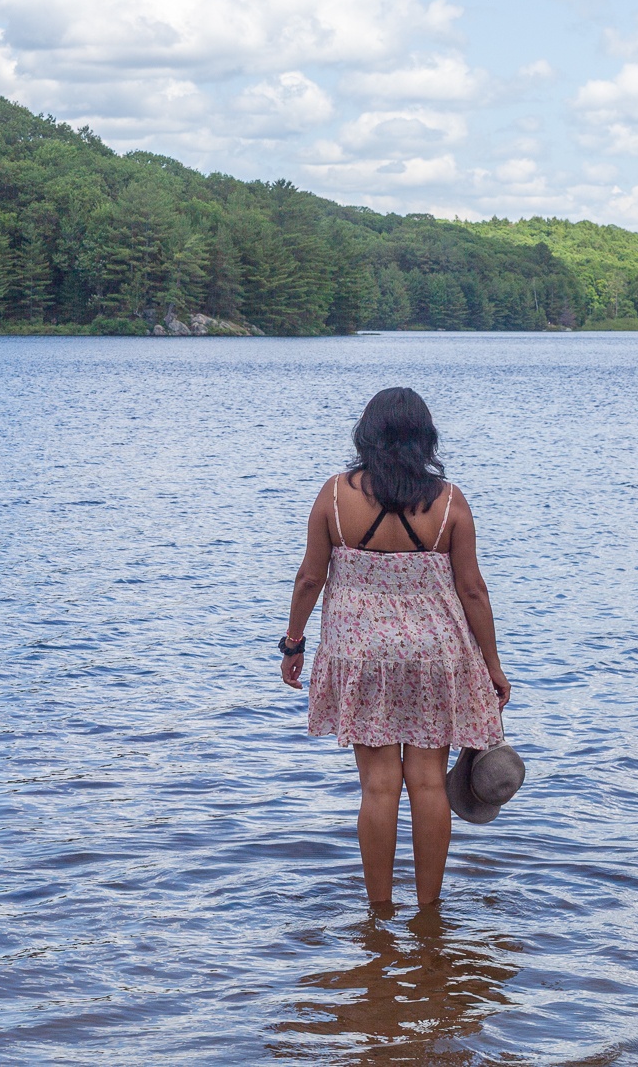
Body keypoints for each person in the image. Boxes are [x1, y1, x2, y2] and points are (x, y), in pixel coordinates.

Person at [279, 387, 511, 912]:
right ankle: (429, 911)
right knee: (429, 783)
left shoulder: (335, 496)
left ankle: (378, 912)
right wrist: (493, 665)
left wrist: (292, 643)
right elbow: (472, 590)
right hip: (435, 654)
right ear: (424, 437)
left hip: (361, 655)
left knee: (379, 788)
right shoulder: (448, 501)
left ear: (368, 434)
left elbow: (310, 578)